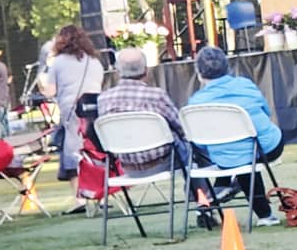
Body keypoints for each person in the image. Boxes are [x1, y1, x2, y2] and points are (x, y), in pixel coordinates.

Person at [186, 46, 281, 226]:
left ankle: (218, 194)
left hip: (227, 156)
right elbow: (266, 113)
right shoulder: (246, 85)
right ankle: (264, 215)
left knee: (239, 157)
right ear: (227, 66)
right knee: (246, 157)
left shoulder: (196, 102)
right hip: (266, 147)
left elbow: (198, 140)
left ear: (198, 72)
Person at [96, 47, 188, 176]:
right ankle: (199, 193)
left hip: (126, 166)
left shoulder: (103, 99)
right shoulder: (156, 96)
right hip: (164, 163)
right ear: (146, 70)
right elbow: (182, 127)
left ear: (117, 71)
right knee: (188, 142)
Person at [42, 25, 105, 180]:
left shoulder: (58, 62)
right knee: (95, 146)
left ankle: (79, 196)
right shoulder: (95, 61)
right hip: (95, 109)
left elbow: (50, 91)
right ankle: (100, 186)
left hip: (71, 110)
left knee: (72, 150)